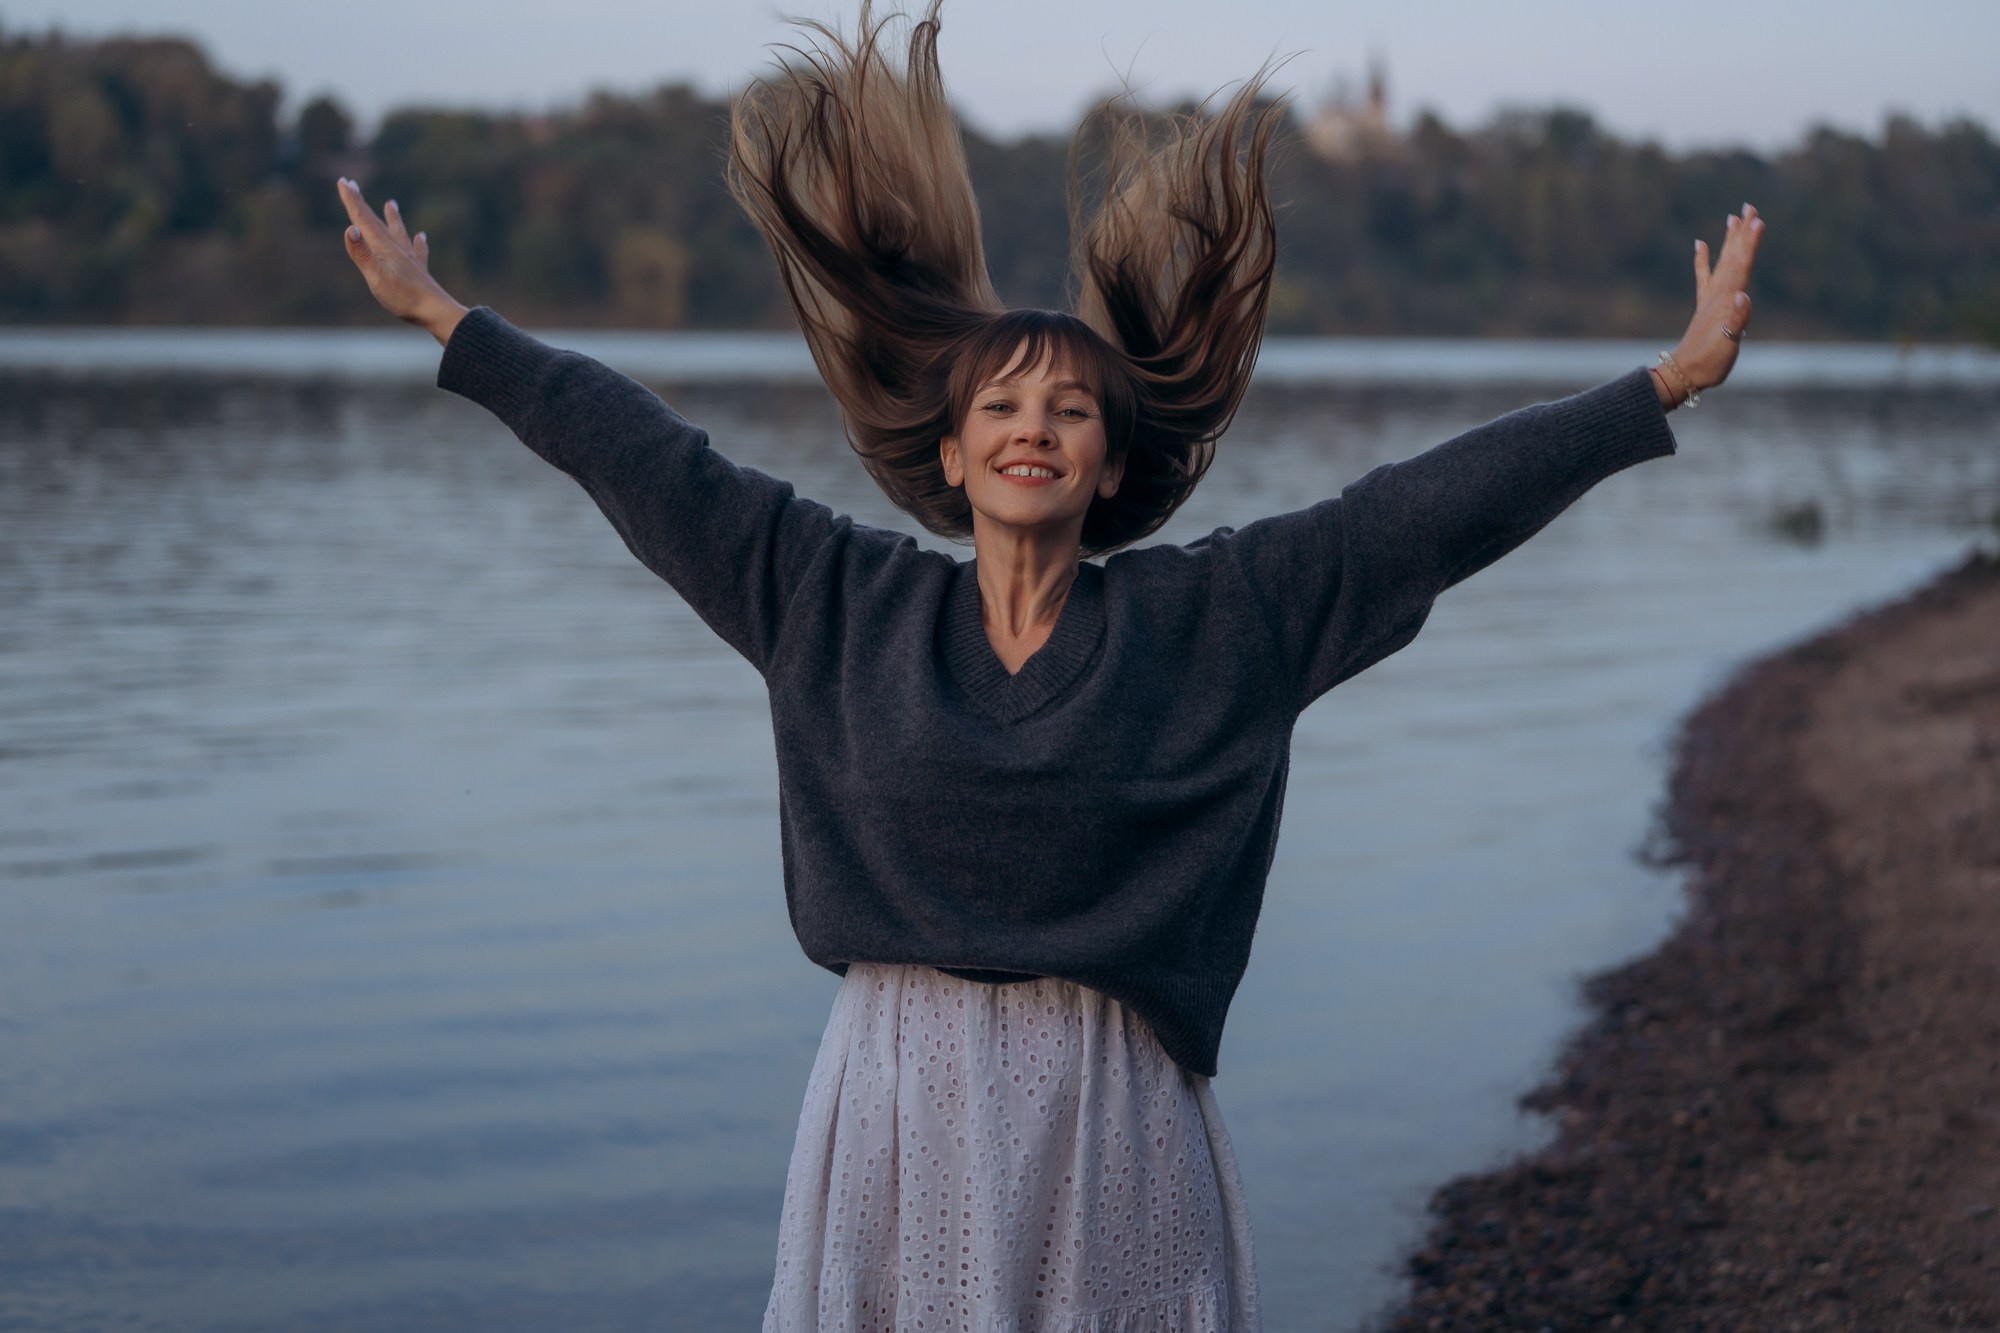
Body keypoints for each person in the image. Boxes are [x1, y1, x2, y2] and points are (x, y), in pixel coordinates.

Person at [335, 4, 1765, 1328]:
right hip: (892, 1095)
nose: (1036, 425)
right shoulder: (833, 598)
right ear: (950, 453)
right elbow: (644, 456)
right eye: (1004, 404)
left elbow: (1421, 515)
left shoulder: (1218, 624)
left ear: (1112, 460)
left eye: (1070, 407)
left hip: (1113, 1104)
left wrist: (1661, 383)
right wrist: (454, 322)